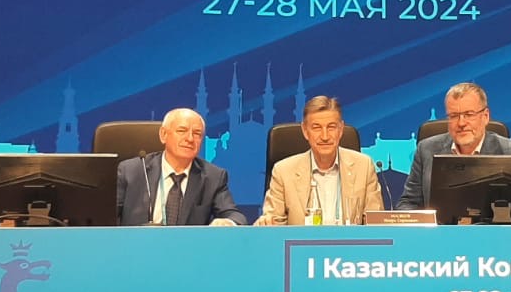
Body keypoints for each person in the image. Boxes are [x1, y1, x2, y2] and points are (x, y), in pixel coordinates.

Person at [397, 82, 511, 210]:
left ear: (485, 116)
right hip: (440, 224)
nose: (461, 123)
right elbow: (408, 203)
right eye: (454, 116)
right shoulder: (426, 150)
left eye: (469, 115)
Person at [256, 96, 383, 225]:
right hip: (302, 239)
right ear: (305, 131)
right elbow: (271, 224)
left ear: (340, 130)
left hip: (350, 239)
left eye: (331, 127)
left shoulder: (364, 167)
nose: (325, 136)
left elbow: (376, 225)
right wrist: (266, 223)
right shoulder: (283, 172)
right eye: (316, 128)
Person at [116, 108, 245, 226]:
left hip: (189, 244)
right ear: (163, 135)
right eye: (182, 131)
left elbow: (234, 215)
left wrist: (228, 222)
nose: (190, 139)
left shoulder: (213, 177)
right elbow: (108, 217)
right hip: (138, 243)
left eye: (197, 133)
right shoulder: (132, 171)